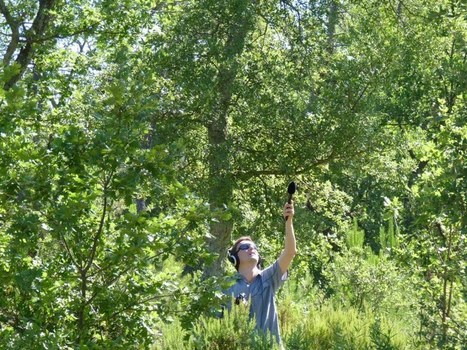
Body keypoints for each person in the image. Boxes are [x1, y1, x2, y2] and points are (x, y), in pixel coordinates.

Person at [225, 201, 296, 346]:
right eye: (245, 247)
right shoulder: (226, 287)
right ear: (234, 258)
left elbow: (290, 252)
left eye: (254, 247)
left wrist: (288, 222)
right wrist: (238, 313)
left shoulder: (268, 278)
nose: (252, 249)